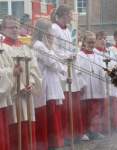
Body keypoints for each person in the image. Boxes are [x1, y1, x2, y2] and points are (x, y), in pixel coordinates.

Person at [1, 15, 42, 150]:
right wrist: (18, 87)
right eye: (11, 27)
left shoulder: (26, 49)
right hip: (12, 97)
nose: (14, 30)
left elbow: (34, 70)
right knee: (13, 131)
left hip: (27, 96)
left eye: (17, 27)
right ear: (3, 29)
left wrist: (30, 84)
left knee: (27, 132)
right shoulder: (2, 49)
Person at [51, 5, 83, 144]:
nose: (72, 17)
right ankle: (63, 135)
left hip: (70, 67)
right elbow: (53, 50)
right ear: (64, 14)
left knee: (72, 103)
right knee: (63, 105)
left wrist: (73, 54)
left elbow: (69, 48)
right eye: (71, 14)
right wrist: (69, 55)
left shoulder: (68, 30)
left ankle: (72, 133)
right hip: (60, 70)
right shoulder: (53, 29)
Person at [32, 18, 65, 149]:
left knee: (53, 114)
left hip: (52, 84)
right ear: (43, 32)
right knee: (47, 115)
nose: (51, 34)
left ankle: (54, 143)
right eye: (49, 31)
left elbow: (56, 60)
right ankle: (47, 143)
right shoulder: (39, 45)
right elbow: (52, 63)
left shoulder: (46, 45)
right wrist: (61, 67)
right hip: (45, 85)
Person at [77, 31, 106, 140]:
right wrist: (81, 85)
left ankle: (95, 131)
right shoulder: (79, 55)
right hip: (86, 88)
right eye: (89, 42)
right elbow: (77, 72)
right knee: (85, 111)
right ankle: (84, 131)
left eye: (93, 42)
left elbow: (102, 69)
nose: (91, 44)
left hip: (97, 87)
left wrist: (105, 76)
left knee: (96, 111)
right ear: (83, 42)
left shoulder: (98, 54)